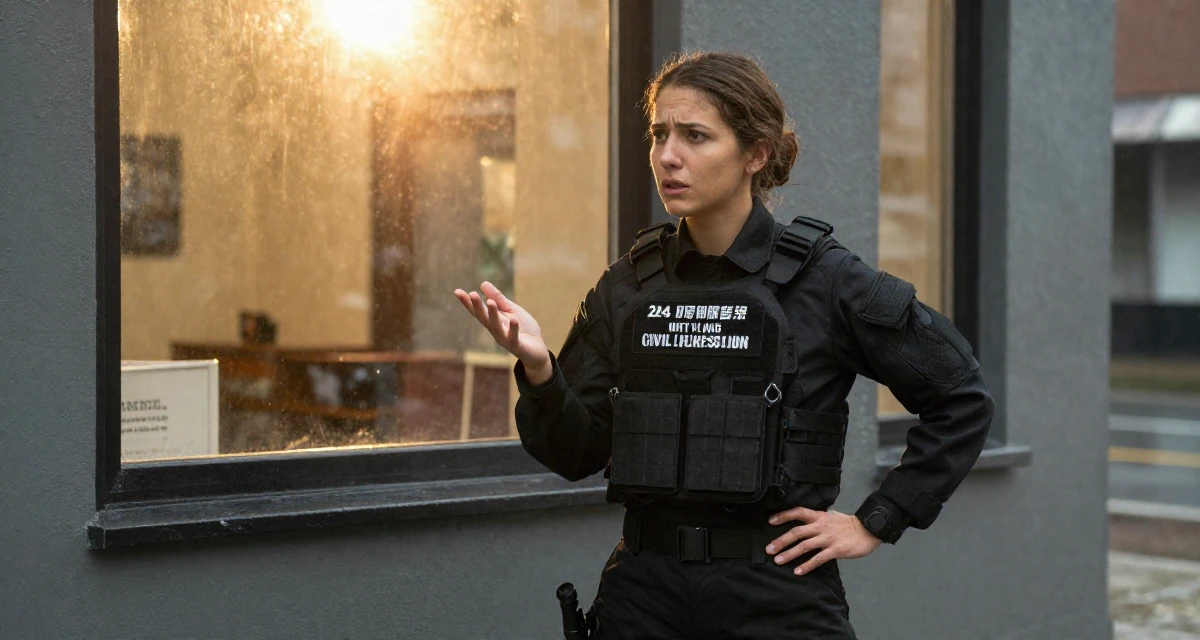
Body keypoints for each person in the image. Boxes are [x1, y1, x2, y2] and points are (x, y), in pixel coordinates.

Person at [454, 51, 994, 639]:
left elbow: (960, 396)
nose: (667, 155)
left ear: (755, 154)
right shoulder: (629, 284)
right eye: (659, 134)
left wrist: (876, 520)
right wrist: (539, 371)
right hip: (645, 597)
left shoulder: (826, 278)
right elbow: (575, 453)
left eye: (695, 136)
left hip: (776, 596)